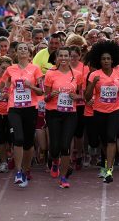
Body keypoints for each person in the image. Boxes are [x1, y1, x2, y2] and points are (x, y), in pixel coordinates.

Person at [0, 42, 44, 188]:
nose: (23, 51)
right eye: (20, 49)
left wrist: (30, 86)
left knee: (29, 142)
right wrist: (5, 93)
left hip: (30, 108)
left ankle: (26, 169)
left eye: (25, 49)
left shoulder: (35, 68)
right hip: (14, 108)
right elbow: (2, 86)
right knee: (18, 138)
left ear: (29, 53)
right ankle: (18, 171)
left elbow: (41, 91)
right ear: (16, 53)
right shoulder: (10, 69)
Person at [84, 40, 119, 183]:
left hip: (115, 110)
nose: (106, 61)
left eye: (108, 58)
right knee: (102, 141)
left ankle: (109, 170)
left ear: (113, 59)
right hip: (98, 111)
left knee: (111, 138)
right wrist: (94, 84)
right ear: (99, 60)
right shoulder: (94, 75)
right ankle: (105, 163)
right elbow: (86, 96)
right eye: (103, 59)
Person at [44, 47, 84, 188]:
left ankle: (64, 177)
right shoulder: (50, 74)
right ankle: (55, 161)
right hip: (53, 112)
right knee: (55, 148)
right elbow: (45, 98)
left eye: (66, 55)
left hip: (70, 113)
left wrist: (77, 97)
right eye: (60, 56)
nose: (63, 58)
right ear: (56, 58)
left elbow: (82, 95)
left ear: (69, 57)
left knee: (65, 146)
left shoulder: (78, 74)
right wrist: (51, 95)